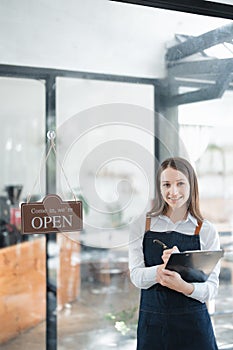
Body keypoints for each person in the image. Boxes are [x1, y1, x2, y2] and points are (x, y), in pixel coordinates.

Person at [129, 157, 220, 350]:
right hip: (153, 326)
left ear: (191, 185)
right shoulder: (141, 225)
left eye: (180, 183)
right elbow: (136, 276)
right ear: (159, 188)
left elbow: (212, 289)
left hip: (195, 327)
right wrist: (161, 271)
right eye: (167, 184)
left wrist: (184, 286)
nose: (173, 192)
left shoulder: (205, 230)